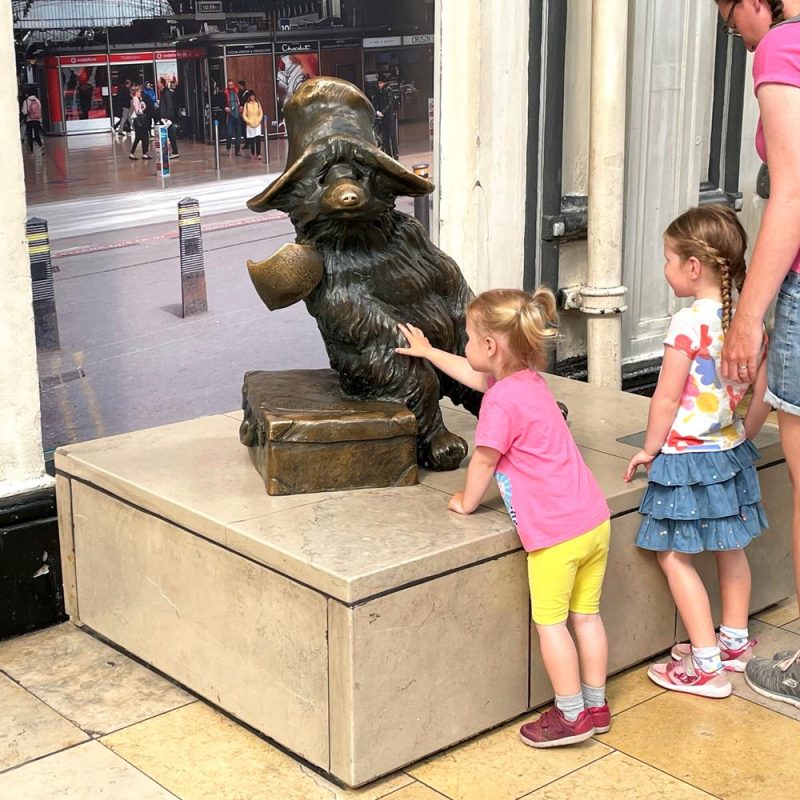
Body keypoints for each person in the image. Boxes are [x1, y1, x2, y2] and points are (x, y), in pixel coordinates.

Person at [396, 288, 612, 747]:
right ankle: (596, 704)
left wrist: (466, 502)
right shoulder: (527, 382)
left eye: (469, 338)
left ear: (491, 346)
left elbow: (484, 461)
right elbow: (474, 376)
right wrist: (430, 351)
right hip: (594, 519)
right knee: (587, 617)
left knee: (551, 623)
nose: (466, 347)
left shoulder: (500, 403)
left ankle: (571, 715)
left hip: (556, 535)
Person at [623, 205, 771, 697]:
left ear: (693, 267)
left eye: (667, 259)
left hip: (685, 458)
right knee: (732, 548)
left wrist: (649, 449)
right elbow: (762, 395)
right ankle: (734, 642)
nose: (664, 269)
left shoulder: (688, 324)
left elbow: (665, 397)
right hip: (728, 454)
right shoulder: (749, 325)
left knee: (673, 555)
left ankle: (704, 665)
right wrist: (742, 434)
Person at [712, 1, 800, 705]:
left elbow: (792, 193)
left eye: (726, 13)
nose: (734, 33)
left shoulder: (781, 47)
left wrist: (749, 319)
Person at [374, 78, 398, 159]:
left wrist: (383, 112)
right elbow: (376, 102)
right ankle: (388, 154)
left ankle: (395, 153)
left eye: (380, 83)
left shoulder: (388, 90)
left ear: (384, 83)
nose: (379, 85)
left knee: (392, 135)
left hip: (390, 116)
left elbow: (390, 103)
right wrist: (377, 111)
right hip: (383, 117)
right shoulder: (378, 92)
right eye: (378, 83)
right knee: (385, 136)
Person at [157, 77, 179, 158]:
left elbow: (169, 105)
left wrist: (167, 116)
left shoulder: (166, 92)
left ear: (162, 83)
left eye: (158, 82)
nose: (157, 84)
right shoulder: (163, 92)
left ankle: (175, 151)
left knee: (171, 134)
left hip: (167, 117)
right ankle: (173, 151)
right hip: (164, 117)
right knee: (169, 134)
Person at [129, 86, 151, 160]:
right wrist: (142, 108)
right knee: (144, 136)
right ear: (136, 92)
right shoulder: (135, 99)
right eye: (139, 92)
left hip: (137, 120)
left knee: (138, 137)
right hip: (139, 120)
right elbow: (137, 111)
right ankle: (144, 153)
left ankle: (134, 153)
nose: (140, 93)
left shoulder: (135, 99)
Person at [242, 91, 264, 161]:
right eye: (251, 96)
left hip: (257, 124)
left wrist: (259, 120)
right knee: (251, 140)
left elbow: (261, 113)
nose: (252, 97)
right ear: (249, 97)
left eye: (253, 96)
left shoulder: (258, 104)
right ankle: (252, 153)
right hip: (250, 125)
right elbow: (244, 115)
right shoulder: (246, 104)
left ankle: (258, 154)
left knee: (258, 139)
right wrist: (248, 121)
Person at [224, 78, 242, 155]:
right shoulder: (225, 93)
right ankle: (228, 145)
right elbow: (222, 104)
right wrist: (225, 108)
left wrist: (241, 106)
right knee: (229, 133)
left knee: (238, 134)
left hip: (237, 115)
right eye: (229, 84)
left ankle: (237, 151)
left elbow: (242, 101)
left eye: (231, 84)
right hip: (230, 115)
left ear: (233, 84)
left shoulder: (238, 92)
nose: (230, 86)